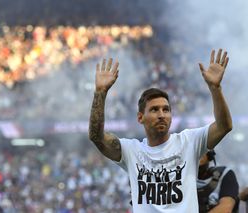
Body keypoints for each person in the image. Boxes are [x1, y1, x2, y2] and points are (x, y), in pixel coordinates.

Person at [88, 49, 232, 212]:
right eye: (155, 110)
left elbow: (224, 126)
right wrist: (100, 93)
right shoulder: (131, 151)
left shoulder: (189, 141)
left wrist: (215, 88)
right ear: (140, 117)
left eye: (166, 109)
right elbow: (96, 136)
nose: (162, 115)